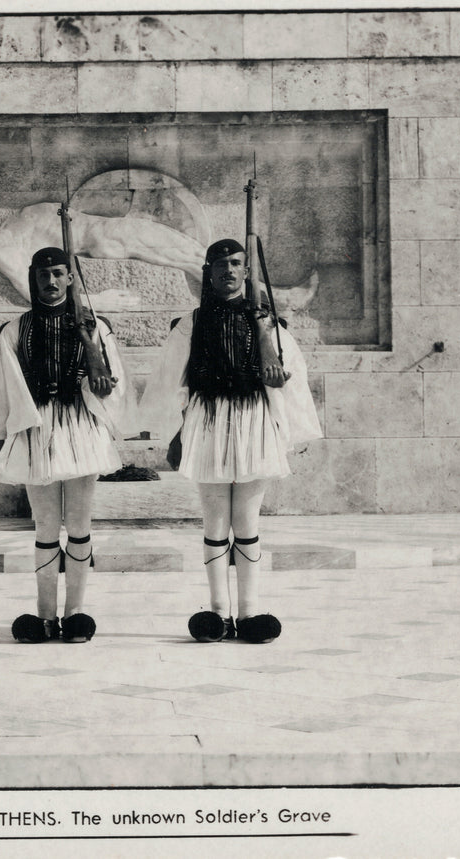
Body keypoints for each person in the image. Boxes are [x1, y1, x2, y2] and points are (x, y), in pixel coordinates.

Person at [141, 238, 321, 643]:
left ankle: (249, 611)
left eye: (237, 264)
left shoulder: (269, 323)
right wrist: (175, 432)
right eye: (220, 264)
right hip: (208, 419)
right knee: (215, 519)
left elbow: (291, 374)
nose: (229, 271)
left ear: (246, 271)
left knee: (248, 520)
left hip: (253, 419)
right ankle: (218, 613)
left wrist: (277, 383)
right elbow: (172, 381)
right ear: (208, 271)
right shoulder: (192, 322)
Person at [0, 247, 128, 644]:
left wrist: (101, 384)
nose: (50, 282)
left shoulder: (95, 327)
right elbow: (1, 393)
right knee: (46, 528)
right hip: (36, 431)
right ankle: (45, 615)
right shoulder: (15, 330)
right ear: (33, 279)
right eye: (43, 274)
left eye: (58, 274)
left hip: (80, 428)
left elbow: (112, 384)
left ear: (71, 278)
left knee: (80, 527)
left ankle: (76, 613)